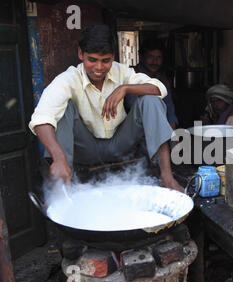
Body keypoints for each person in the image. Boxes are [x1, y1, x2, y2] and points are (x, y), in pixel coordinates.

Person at [28, 24, 183, 192]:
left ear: (113, 57)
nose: (99, 68)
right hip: (86, 149)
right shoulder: (68, 79)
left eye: (106, 60)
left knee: (150, 100)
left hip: (120, 144)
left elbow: (159, 88)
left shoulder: (121, 71)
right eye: (92, 60)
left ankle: (167, 177)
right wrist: (58, 158)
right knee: (64, 108)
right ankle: (61, 188)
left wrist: (125, 88)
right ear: (81, 54)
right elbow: (41, 118)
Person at [124, 38, 178, 129]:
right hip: (135, 129)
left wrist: (172, 132)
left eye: (159, 57)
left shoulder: (163, 80)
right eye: (150, 57)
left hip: (160, 128)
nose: (155, 61)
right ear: (141, 57)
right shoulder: (131, 75)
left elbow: (170, 111)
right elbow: (132, 104)